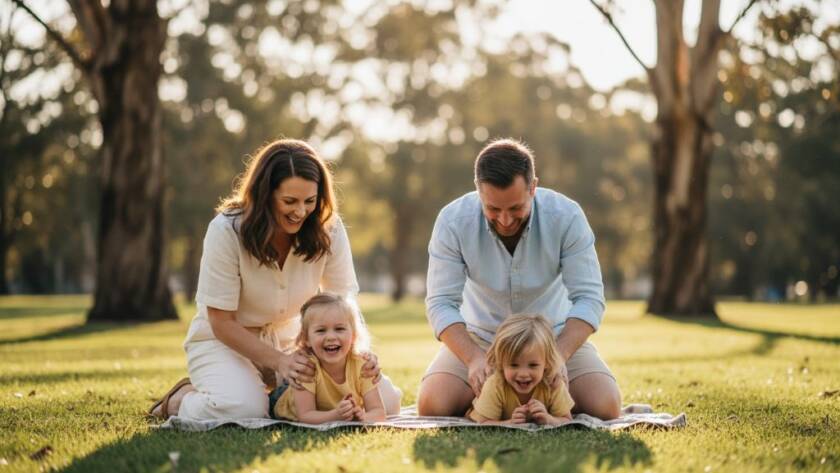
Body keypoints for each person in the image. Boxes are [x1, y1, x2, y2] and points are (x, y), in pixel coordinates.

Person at [149, 139, 401, 420]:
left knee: (387, 401)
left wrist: (359, 354)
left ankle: (272, 397)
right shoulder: (226, 230)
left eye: (309, 201)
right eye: (289, 201)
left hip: (293, 340)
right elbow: (221, 321)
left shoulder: (329, 228)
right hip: (226, 341)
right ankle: (179, 400)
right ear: (264, 196)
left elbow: (344, 303)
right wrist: (280, 362)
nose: (301, 211)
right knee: (244, 410)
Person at [417, 138, 621, 420]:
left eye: (515, 208)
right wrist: (473, 358)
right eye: (493, 209)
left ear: (533, 187)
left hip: (552, 341)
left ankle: (513, 403)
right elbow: (441, 303)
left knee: (606, 406)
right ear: (478, 189)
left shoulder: (567, 216)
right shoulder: (452, 221)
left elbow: (589, 298)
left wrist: (558, 356)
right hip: (481, 340)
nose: (504, 220)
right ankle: (499, 402)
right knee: (433, 406)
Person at [269, 293, 386, 423]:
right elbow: (306, 416)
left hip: (328, 408)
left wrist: (364, 417)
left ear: (353, 335)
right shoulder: (306, 368)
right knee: (258, 408)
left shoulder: (362, 365)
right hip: (283, 402)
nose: (331, 337)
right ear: (306, 339)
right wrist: (335, 415)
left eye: (339, 329)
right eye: (321, 330)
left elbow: (378, 412)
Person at [468, 313, 573, 426]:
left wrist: (549, 420)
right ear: (501, 363)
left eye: (533, 365)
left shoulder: (553, 383)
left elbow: (567, 419)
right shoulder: (495, 385)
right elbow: (483, 422)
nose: (523, 374)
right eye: (514, 365)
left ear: (547, 362)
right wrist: (509, 423)